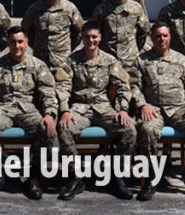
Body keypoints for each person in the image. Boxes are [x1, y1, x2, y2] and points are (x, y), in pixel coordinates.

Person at [0, 25, 58, 200]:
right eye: (13, 42)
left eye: (20, 42)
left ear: (27, 42)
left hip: (28, 109)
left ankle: (33, 176)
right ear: (8, 43)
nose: (17, 46)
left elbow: (48, 92)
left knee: (47, 130)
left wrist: (49, 114)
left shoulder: (37, 65)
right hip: (2, 108)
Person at [55, 21, 135, 201]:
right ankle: (75, 177)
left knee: (129, 129)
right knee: (64, 128)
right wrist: (65, 110)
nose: (91, 40)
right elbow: (62, 87)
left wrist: (123, 109)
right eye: (87, 37)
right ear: (82, 38)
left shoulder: (110, 61)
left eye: (94, 37)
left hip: (103, 109)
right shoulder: (71, 61)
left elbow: (123, 86)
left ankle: (118, 176)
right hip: (80, 109)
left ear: (100, 38)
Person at [132, 21, 185, 202]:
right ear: (152, 38)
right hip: (153, 110)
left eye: (165, 36)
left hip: (179, 110)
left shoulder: (181, 60)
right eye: (158, 36)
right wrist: (142, 105)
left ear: (170, 37)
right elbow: (134, 87)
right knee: (147, 130)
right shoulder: (141, 61)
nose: (162, 39)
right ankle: (150, 180)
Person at [90, 0, 150, 77]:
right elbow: (95, 33)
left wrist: (132, 50)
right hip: (108, 60)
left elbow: (143, 33)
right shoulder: (101, 10)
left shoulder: (136, 8)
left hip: (130, 61)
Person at [21, 0, 84, 72]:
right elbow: (25, 31)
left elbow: (80, 31)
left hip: (62, 61)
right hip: (40, 61)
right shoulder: (35, 8)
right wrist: (38, 46)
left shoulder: (69, 8)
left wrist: (67, 48)